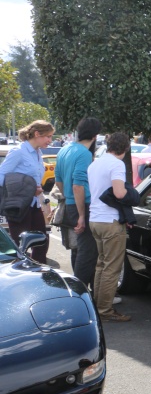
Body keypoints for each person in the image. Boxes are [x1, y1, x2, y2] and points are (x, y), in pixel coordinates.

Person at [87, 132, 131, 322]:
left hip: (95, 218)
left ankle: (98, 304)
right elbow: (119, 193)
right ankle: (105, 309)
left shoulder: (95, 163)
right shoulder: (117, 164)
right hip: (111, 221)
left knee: (101, 264)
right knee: (112, 268)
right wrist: (133, 195)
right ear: (126, 148)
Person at [55, 117, 101, 290]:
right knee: (88, 251)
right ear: (95, 135)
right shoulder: (84, 154)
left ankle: (78, 289)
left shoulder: (65, 150)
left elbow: (59, 180)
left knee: (78, 248)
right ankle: (80, 293)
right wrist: (82, 215)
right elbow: (78, 185)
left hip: (71, 204)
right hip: (83, 205)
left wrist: (69, 197)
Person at [0, 120, 53, 263]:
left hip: (34, 204)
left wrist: (43, 199)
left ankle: (37, 276)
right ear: (37, 134)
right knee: (18, 247)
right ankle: (15, 279)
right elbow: (1, 175)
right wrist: (22, 190)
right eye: (48, 136)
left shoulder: (38, 152)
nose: (50, 140)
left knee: (41, 241)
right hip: (18, 206)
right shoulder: (19, 151)